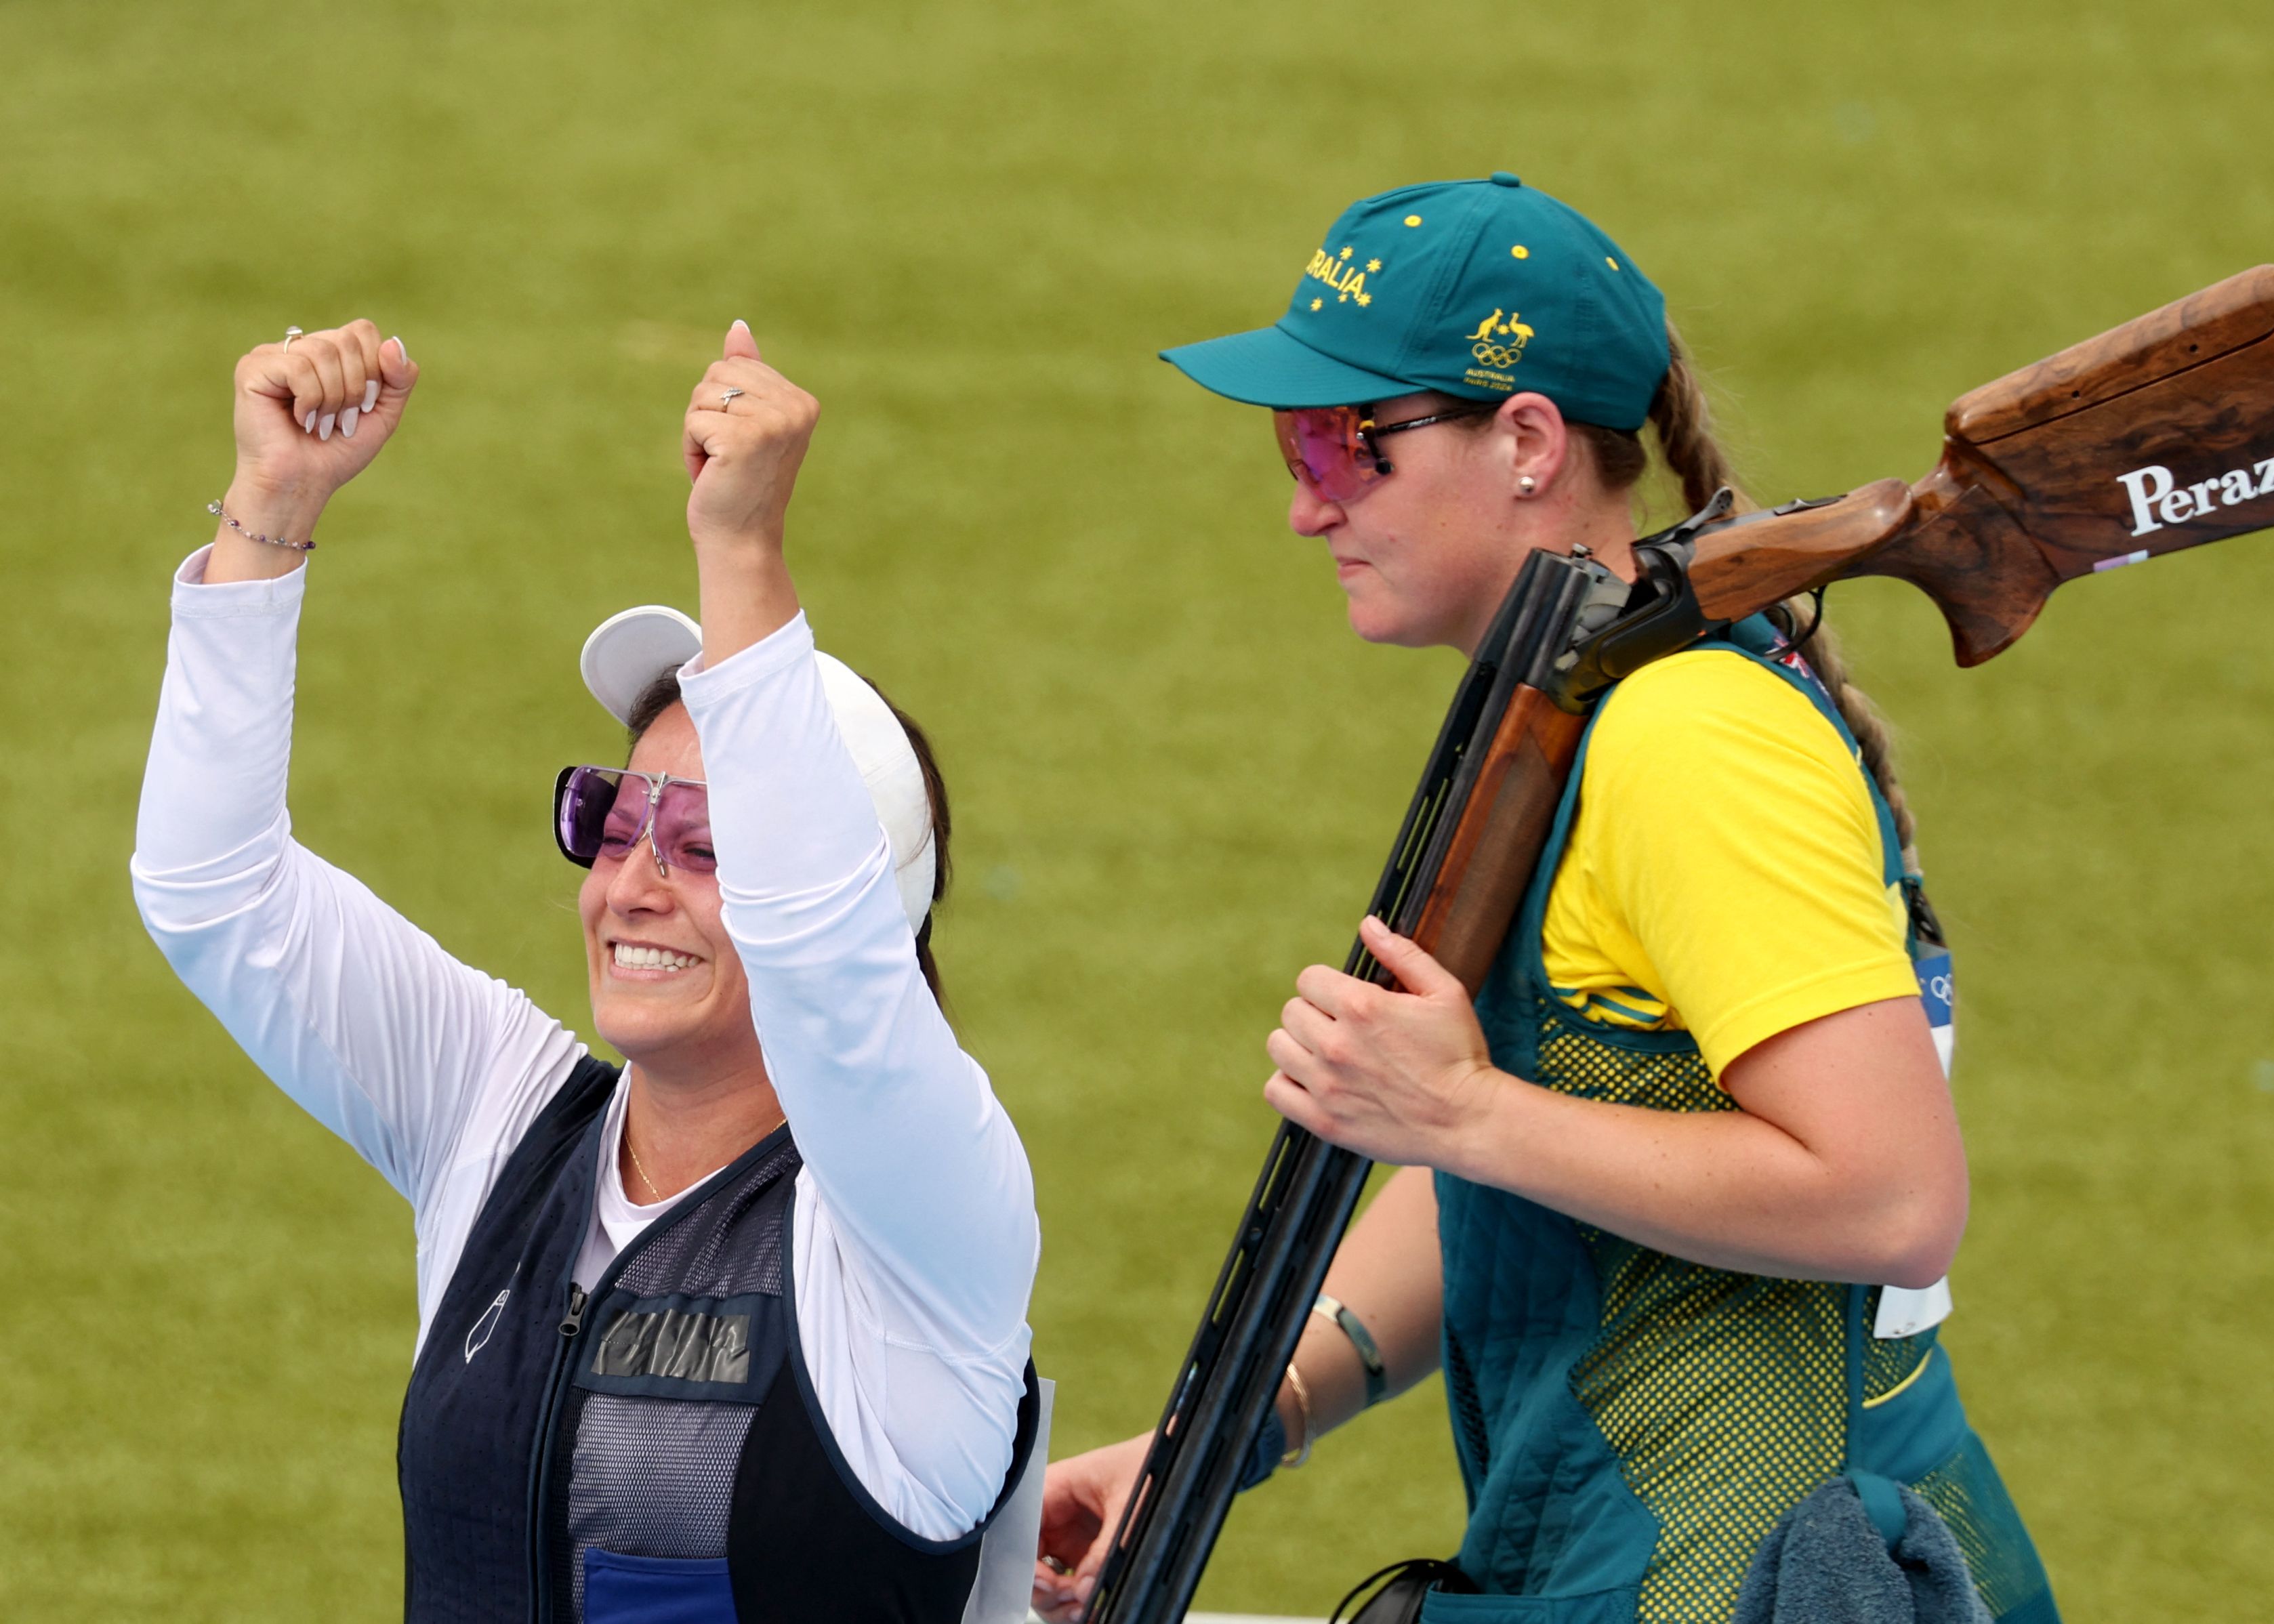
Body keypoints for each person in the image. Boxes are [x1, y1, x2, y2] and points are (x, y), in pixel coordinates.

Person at [1034, 175, 2058, 1624]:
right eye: (1293, 439)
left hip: (1757, 1579)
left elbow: (1893, 1195)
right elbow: (1540, 1169)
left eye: (1344, 440)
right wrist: (1220, 1434)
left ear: (1525, 440)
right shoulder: (1585, 697)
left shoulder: (1687, 739)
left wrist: (1462, 1110)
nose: (1300, 499)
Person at [133, 318, 1043, 1623]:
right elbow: (213, 890)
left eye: (703, 841)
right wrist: (271, 503)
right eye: (616, 818)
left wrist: (739, 554)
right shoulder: (495, 1111)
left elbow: (831, 970)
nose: (632, 879)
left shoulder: (923, 1220)